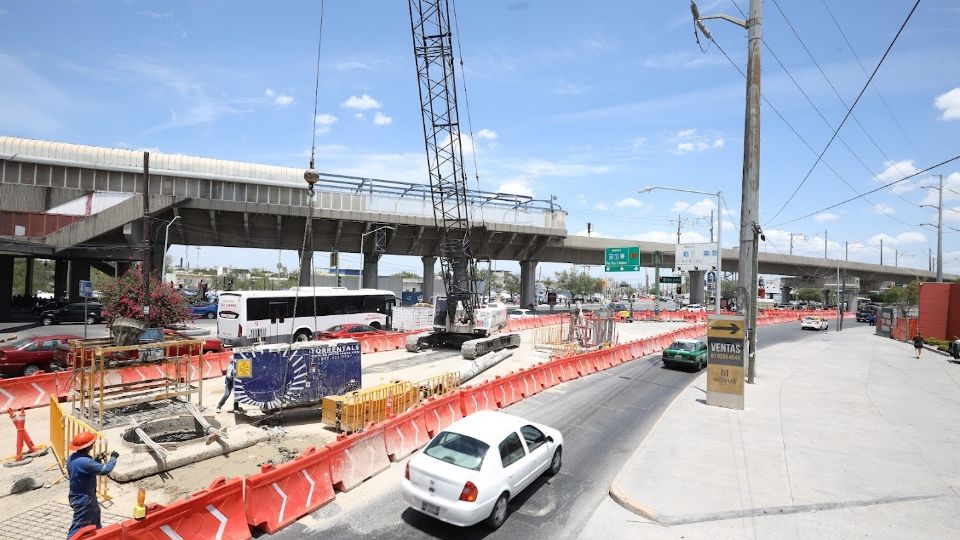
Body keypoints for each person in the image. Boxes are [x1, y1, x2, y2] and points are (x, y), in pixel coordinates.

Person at [67, 432, 118, 540]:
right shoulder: (85, 462)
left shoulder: (72, 458)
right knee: (79, 525)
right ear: (90, 446)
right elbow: (105, 470)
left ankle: (98, 536)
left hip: (77, 496)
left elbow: (87, 470)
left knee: (95, 515)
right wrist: (113, 458)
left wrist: (97, 459)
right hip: (84, 499)